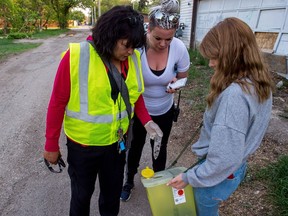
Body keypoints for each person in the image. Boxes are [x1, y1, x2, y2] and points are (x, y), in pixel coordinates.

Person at [43, 5, 163, 216]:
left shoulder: (132, 58)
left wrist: (147, 121)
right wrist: (51, 144)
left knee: (111, 197)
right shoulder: (76, 56)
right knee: (81, 197)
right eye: (126, 45)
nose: (130, 51)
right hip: (83, 147)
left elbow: (135, 94)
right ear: (110, 36)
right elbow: (57, 103)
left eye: (134, 46)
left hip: (116, 145)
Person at [167, 17, 274, 215]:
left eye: (215, 57)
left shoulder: (235, 96)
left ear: (232, 56)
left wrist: (190, 177)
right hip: (237, 167)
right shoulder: (258, 81)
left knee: (205, 209)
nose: (210, 64)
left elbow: (223, 159)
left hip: (220, 174)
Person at [120, 0, 190, 202]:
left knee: (160, 149)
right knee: (134, 147)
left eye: (169, 39)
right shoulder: (137, 48)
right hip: (138, 112)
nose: (163, 44)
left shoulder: (178, 48)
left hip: (164, 110)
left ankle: (160, 183)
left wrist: (178, 82)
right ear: (148, 29)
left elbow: (184, 76)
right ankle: (129, 181)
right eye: (158, 38)